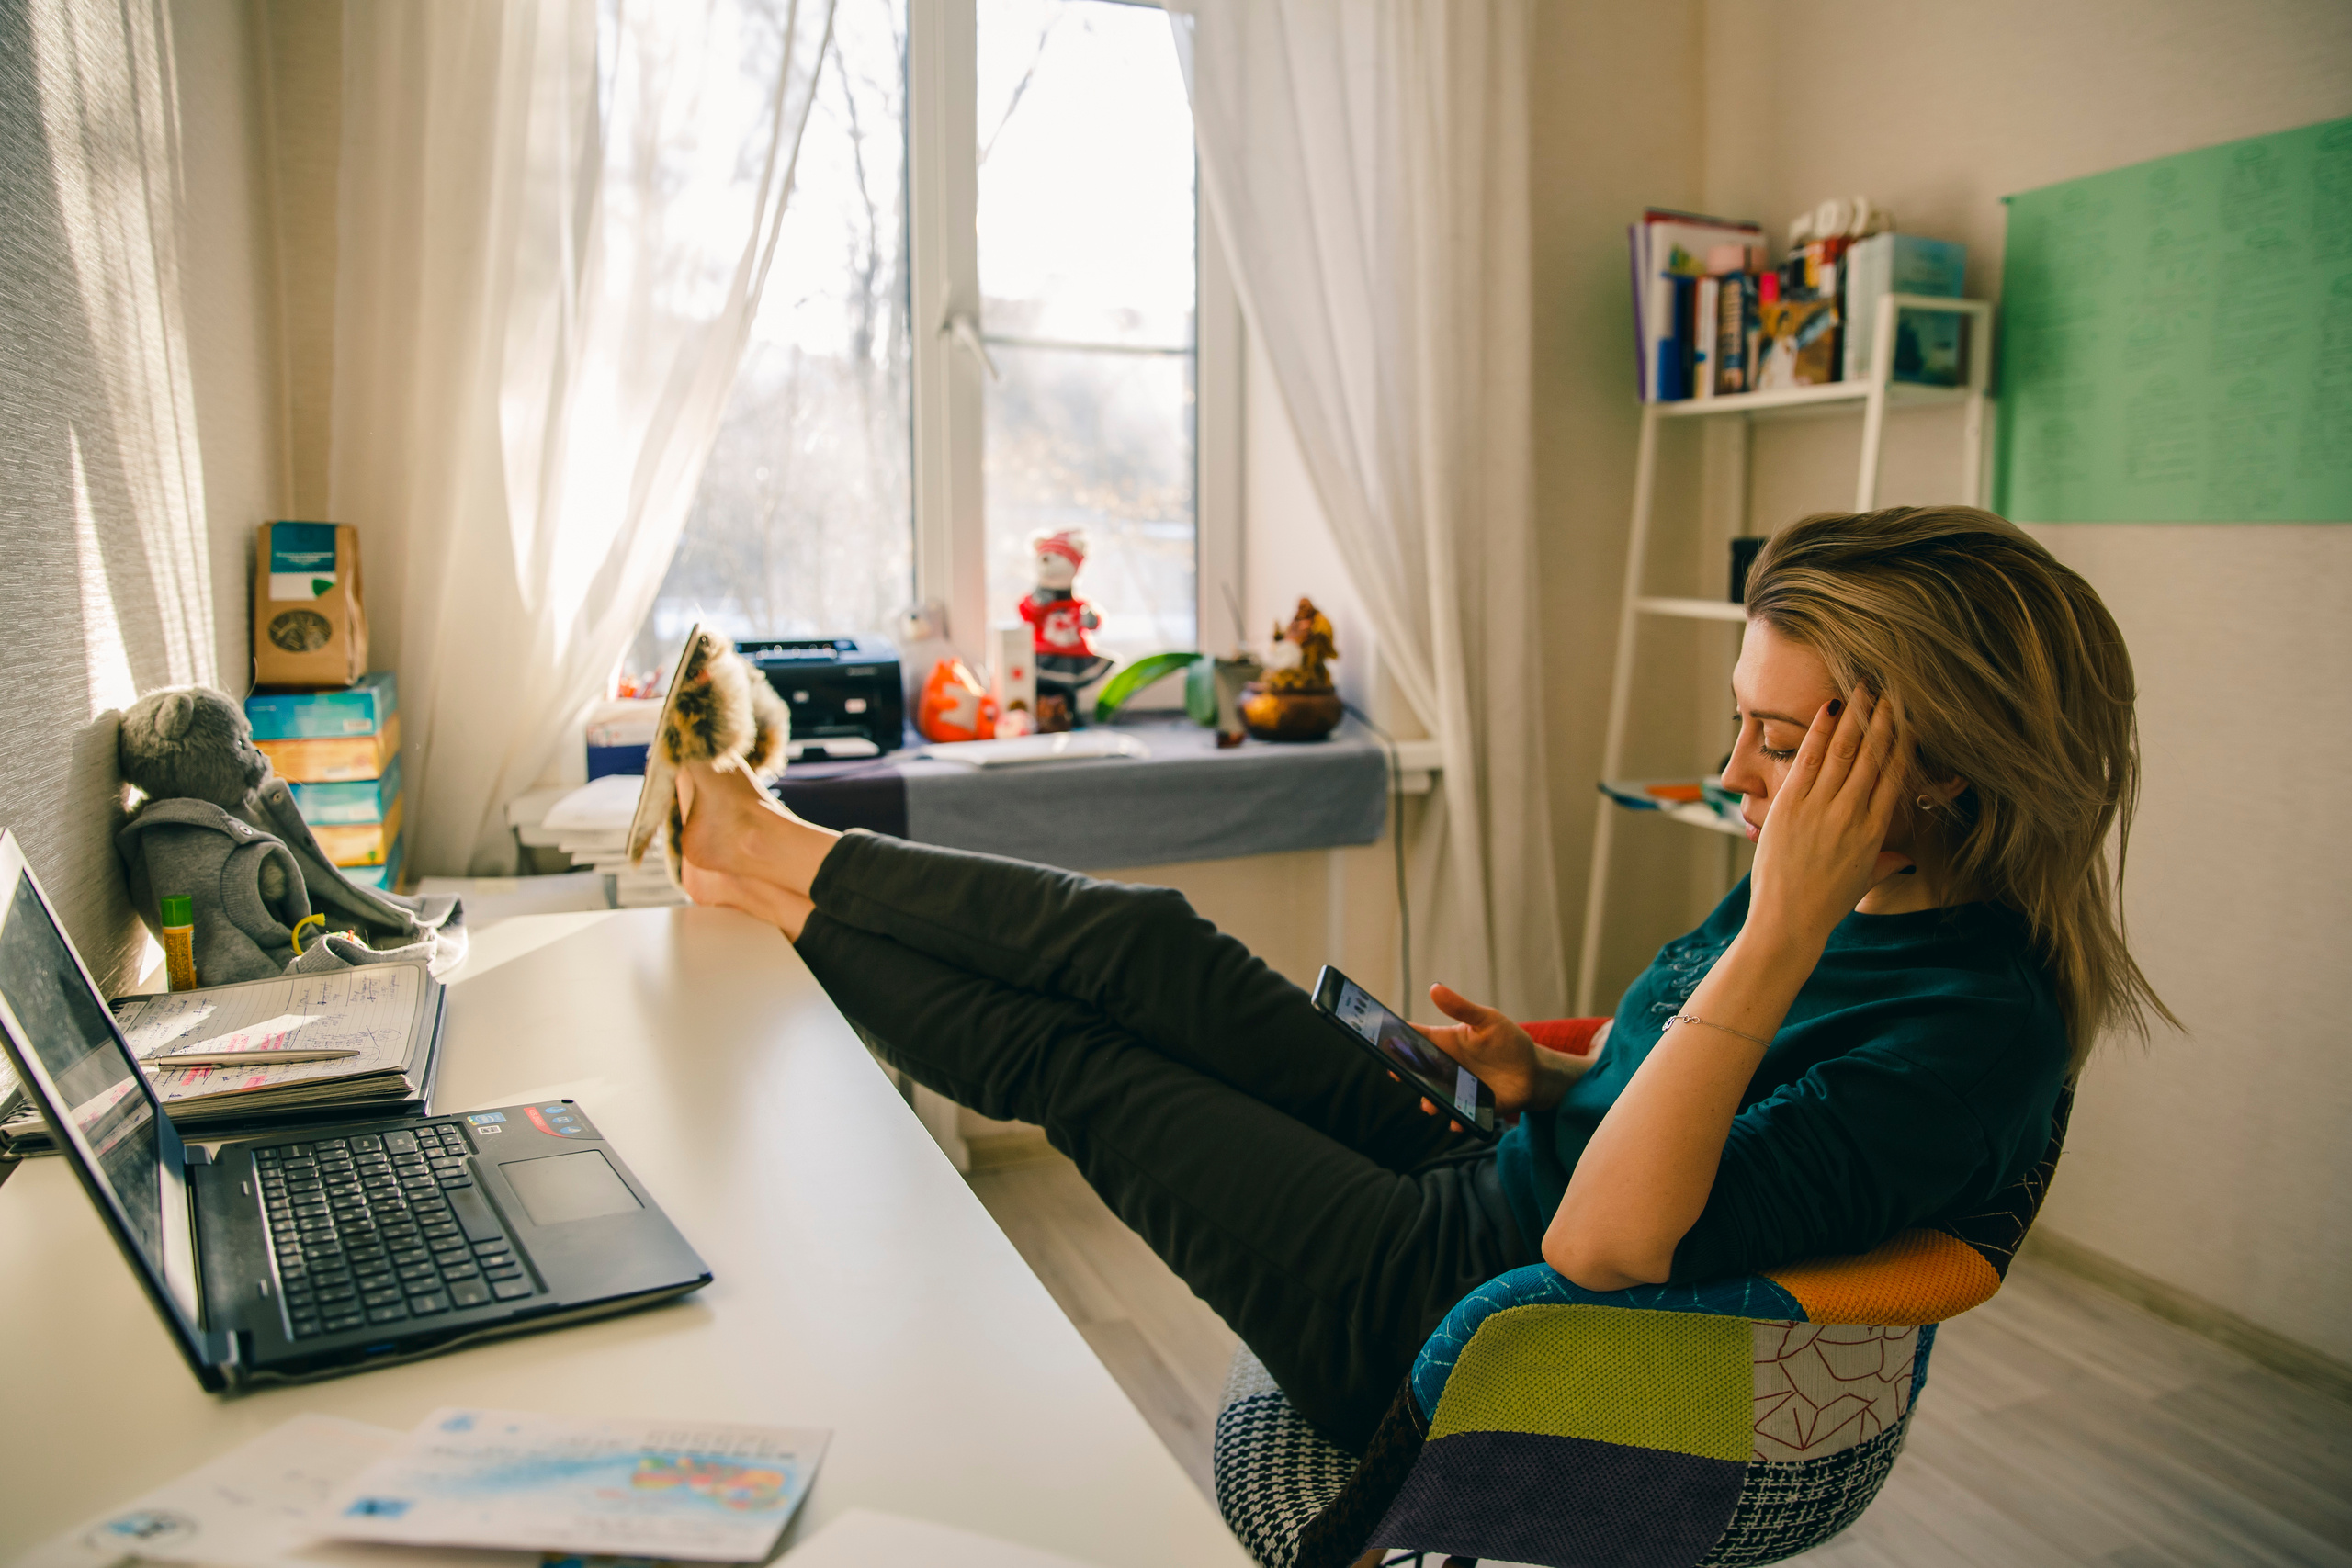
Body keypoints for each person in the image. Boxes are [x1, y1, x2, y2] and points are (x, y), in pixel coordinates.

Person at [670, 505, 2172, 1454]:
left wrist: (1777, 932)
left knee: (1089, 1068)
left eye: (1783, 741)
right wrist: (1563, 1075)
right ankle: (758, 843)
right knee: (1147, 949)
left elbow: (1601, 1250)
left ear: (1953, 758)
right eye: (1744, 725)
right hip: (1484, 1160)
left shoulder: (1971, 1027)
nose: (1733, 777)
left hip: (1468, 1314)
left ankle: (756, 877)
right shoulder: (1849, 884)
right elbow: (1718, 1113)